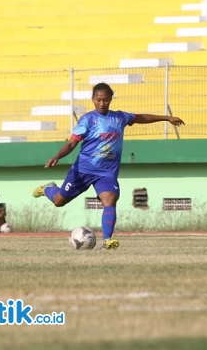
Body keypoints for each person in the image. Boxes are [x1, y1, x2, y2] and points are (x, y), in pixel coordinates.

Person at [32, 82, 185, 250]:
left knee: (110, 201)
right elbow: (71, 143)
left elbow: (140, 117)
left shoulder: (119, 117)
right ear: (93, 100)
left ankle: (107, 240)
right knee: (59, 201)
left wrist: (167, 118)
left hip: (107, 173)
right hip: (83, 170)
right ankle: (48, 188)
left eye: (105, 100)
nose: (102, 103)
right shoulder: (87, 120)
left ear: (111, 99)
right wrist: (57, 156)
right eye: (98, 100)